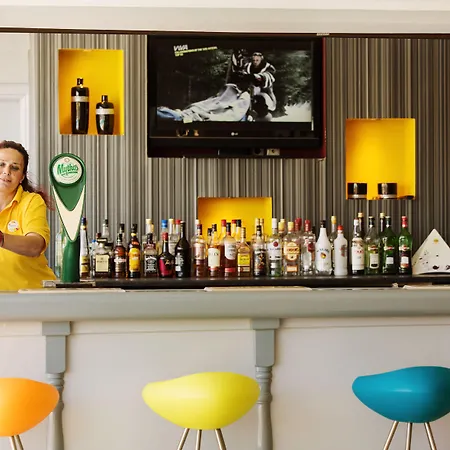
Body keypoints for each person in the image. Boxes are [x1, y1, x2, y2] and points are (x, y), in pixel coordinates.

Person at [0, 140, 56, 290]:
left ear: (22, 177)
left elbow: (35, 246)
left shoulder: (31, 201)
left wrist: (2, 239)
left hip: (33, 296)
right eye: (1, 164)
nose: (6, 171)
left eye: (14, 167)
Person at [231, 51, 277, 121]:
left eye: (257, 60)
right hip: (249, 90)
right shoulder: (248, 66)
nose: (255, 62)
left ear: (261, 59)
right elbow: (244, 73)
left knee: (262, 101)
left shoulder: (268, 67)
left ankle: (262, 115)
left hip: (264, 90)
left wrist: (256, 77)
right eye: (254, 60)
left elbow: (269, 76)